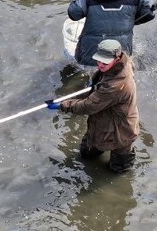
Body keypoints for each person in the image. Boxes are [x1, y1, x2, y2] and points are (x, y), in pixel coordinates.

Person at [48, 39, 139, 173]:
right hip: (103, 122)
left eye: (105, 62)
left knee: (119, 169)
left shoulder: (115, 86)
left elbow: (88, 106)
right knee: (86, 154)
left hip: (123, 130)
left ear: (116, 58)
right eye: (99, 60)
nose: (100, 65)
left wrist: (62, 105)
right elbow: (103, 82)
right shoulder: (124, 61)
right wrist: (97, 83)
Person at [67, 0, 157, 66]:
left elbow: (74, 14)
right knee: (120, 73)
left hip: (89, 53)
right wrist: (132, 20)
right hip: (120, 52)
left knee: (84, 77)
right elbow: (149, 14)